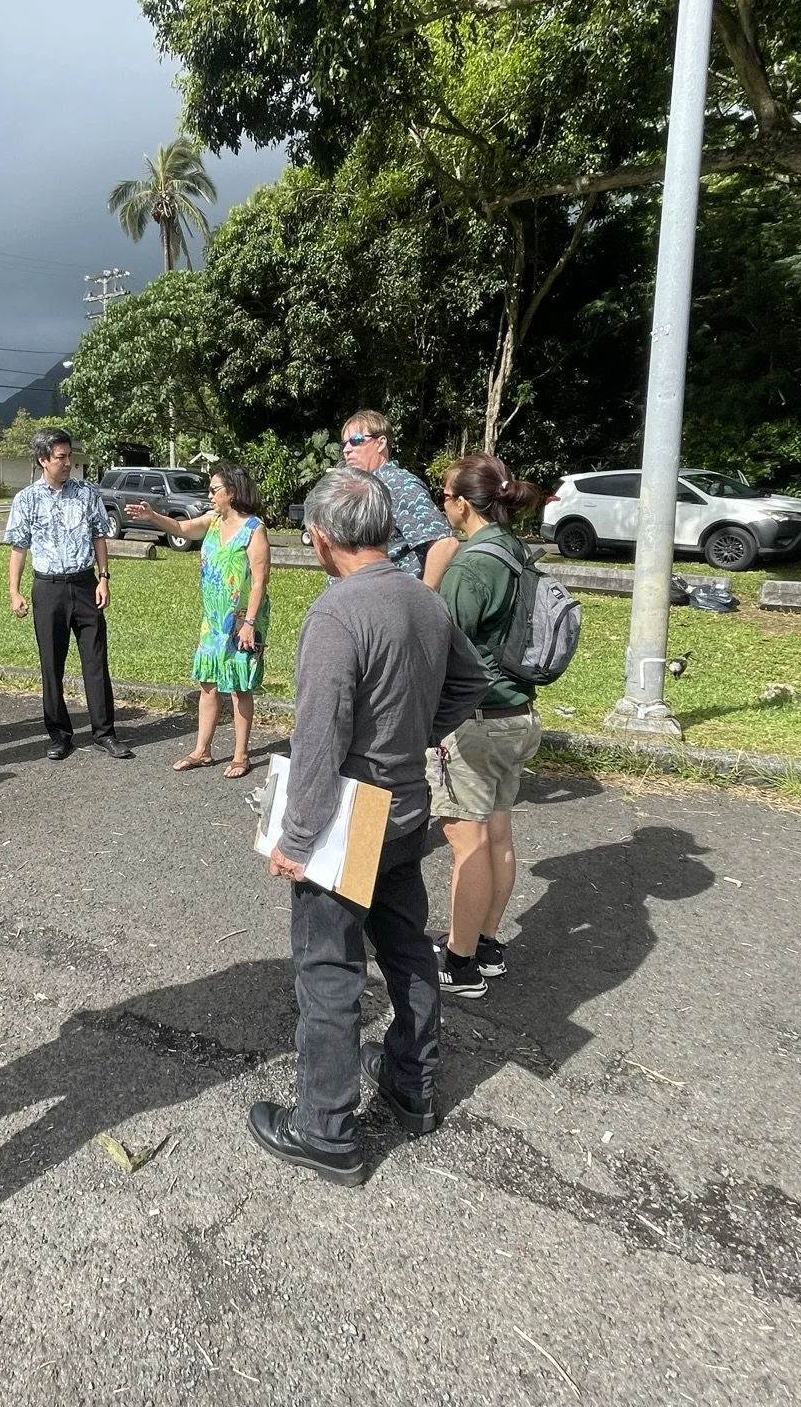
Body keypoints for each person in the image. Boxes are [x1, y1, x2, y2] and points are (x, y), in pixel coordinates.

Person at [249, 468, 492, 1186]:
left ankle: (324, 1128)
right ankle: (412, 1084)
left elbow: (320, 737)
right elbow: (472, 682)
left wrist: (296, 839)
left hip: (349, 817)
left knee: (329, 969)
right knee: (406, 947)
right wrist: (416, 732)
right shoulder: (424, 598)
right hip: (407, 804)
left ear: (322, 539)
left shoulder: (337, 613)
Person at [429, 454, 546, 997]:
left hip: (474, 721)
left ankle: (460, 962)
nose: (441, 503)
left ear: (462, 503)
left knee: (468, 844)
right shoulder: (516, 551)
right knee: (498, 832)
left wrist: (434, 577)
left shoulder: (472, 563)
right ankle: (489, 942)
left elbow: (438, 642)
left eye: (445, 495)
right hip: (517, 712)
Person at [126, 464, 272, 778]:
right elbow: (181, 529)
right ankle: (202, 751)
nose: (209, 495)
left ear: (232, 492)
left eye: (214, 489)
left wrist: (248, 623)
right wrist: (153, 517)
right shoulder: (212, 521)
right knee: (208, 683)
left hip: (240, 621)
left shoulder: (254, 529)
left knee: (238, 686)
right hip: (213, 620)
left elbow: (259, 582)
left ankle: (241, 755)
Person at [4, 426, 132, 761]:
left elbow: (99, 537)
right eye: (60, 457)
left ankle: (105, 733)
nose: (67, 462)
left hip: (84, 584)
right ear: (43, 460)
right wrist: (14, 590)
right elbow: (19, 547)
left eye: (69, 455)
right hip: (48, 588)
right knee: (51, 664)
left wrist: (104, 578)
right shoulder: (26, 499)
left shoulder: (87, 492)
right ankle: (59, 735)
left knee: (95, 661)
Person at [338, 408, 460, 586]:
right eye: (344, 444)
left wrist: (424, 600)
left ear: (380, 443)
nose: (347, 450)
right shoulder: (364, 486)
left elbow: (445, 543)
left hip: (389, 604)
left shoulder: (397, 484)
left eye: (356, 441)